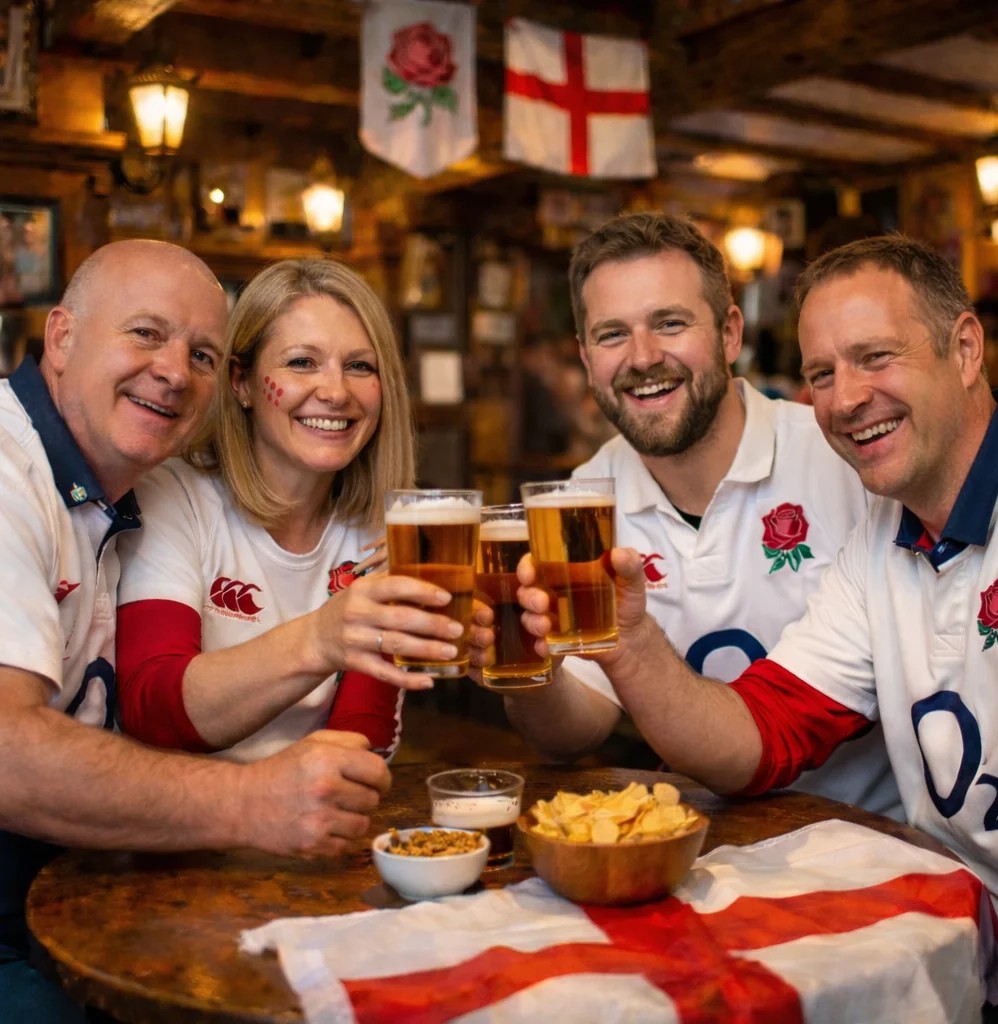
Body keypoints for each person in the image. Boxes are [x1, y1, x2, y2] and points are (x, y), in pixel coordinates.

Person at [510, 234, 998, 1019]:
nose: (847, 398)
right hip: (945, 927)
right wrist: (628, 642)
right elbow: (764, 734)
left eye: (876, 356)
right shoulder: (885, 538)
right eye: (823, 374)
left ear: (964, 349)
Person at [0, 241, 440, 1021]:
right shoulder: (121, 485)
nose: (173, 370)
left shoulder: (103, 492)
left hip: (190, 865)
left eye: (199, 349)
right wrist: (322, 645)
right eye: (145, 334)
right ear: (61, 337)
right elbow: (143, 710)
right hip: (100, 885)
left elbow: (359, 747)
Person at [499, 212, 900, 818]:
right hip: (697, 850)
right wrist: (522, 662)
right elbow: (572, 733)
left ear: (730, 333)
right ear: (585, 358)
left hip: (876, 844)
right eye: (612, 335)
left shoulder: (843, 455)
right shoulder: (581, 502)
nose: (642, 357)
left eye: (669, 323)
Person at [115, 257, 454, 762]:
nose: (336, 392)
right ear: (242, 382)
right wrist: (320, 638)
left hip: (313, 816)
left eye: (360, 366)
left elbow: (366, 729)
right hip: (178, 825)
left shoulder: (387, 528)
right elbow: (152, 709)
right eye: (302, 362)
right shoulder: (173, 495)